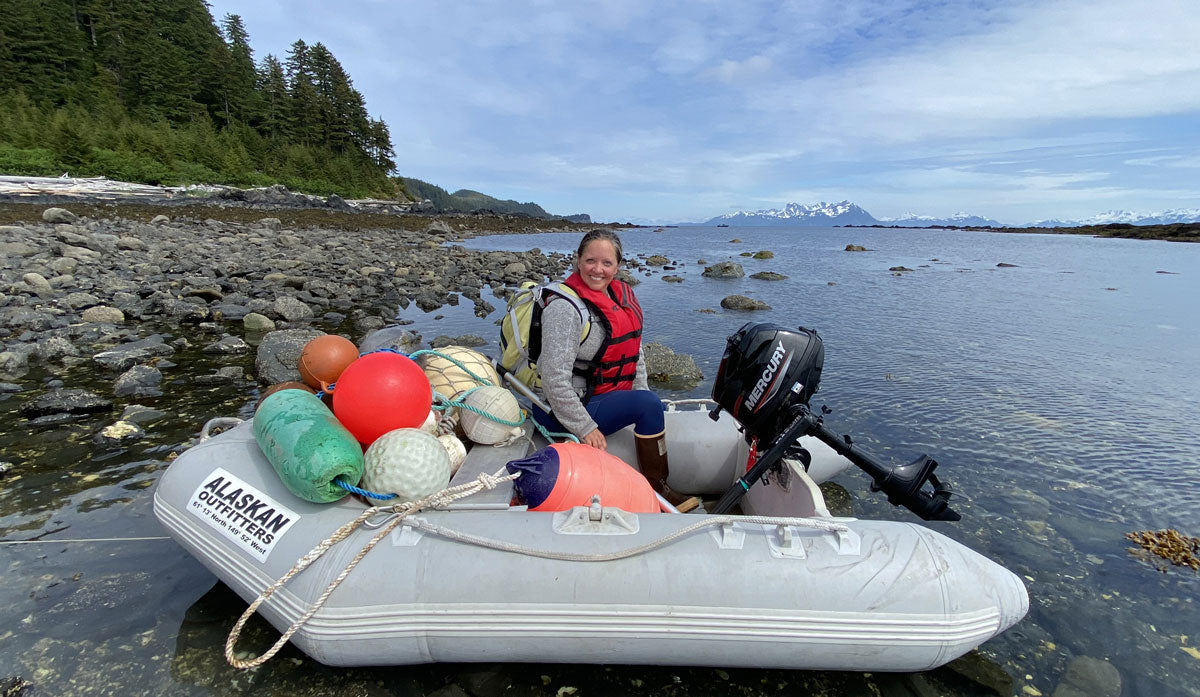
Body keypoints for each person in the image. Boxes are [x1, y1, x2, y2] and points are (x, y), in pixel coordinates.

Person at [531, 229, 693, 507]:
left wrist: (640, 392)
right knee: (649, 405)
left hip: (598, 395)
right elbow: (554, 380)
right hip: (560, 409)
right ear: (578, 261)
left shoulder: (620, 297)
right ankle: (659, 492)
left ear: (617, 267)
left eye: (607, 263)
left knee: (648, 402)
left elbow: (634, 352)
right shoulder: (565, 309)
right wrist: (586, 428)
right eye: (590, 261)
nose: (598, 270)